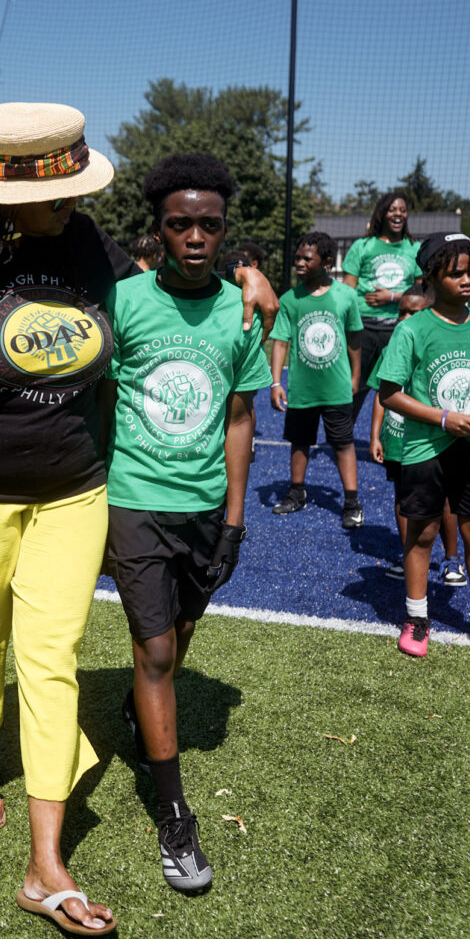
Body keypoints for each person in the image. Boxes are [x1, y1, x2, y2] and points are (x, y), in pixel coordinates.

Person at [0, 103, 279, 935]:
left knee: (53, 656)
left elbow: (170, 280)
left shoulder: (89, 244)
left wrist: (248, 273)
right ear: (2, 192)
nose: (76, 200)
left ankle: (45, 863)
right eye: (60, 189)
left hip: (75, 490)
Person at [102, 153, 272, 892]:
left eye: (209, 225)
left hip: (207, 508)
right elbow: (96, 403)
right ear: (159, 230)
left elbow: (240, 415)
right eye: (181, 224)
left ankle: (144, 717)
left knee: (182, 633)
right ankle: (175, 818)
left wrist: (234, 519)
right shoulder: (124, 301)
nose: (196, 237)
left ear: (226, 231)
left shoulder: (245, 308)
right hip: (134, 500)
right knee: (159, 652)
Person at [377, 233, 470, 656]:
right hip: (423, 451)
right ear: (431, 278)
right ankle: (417, 619)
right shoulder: (412, 329)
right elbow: (389, 394)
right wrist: (443, 417)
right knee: (422, 535)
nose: (468, 280)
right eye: (456, 273)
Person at [369, 284, 467, 585]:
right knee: (403, 499)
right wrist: (375, 436)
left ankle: (452, 559)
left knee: (447, 503)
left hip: (433, 438)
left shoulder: (436, 341)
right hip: (399, 439)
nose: (405, 317)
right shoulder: (391, 348)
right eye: (401, 312)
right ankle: (407, 552)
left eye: (413, 312)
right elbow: (381, 395)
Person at [269, 232, 364, 528]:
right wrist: (275, 382)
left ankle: (351, 502)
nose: (299, 262)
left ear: (325, 262)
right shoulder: (289, 300)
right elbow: (280, 342)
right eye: (297, 257)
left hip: (336, 388)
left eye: (306, 258)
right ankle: (296, 492)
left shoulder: (346, 296)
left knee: (343, 443)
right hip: (302, 389)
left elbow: (354, 339)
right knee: (299, 441)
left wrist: (355, 375)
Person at [341, 192, 421, 423]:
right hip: (363, 327)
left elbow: (422, 293)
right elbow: (347, 290)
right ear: (382, 213)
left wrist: (393, 296)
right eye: (392, 209)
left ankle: (387, 440)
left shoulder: (413, 248)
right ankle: (342, 437)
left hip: (398, 329)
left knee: (394, 388)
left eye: (402, 210)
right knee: (354, 385)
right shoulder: (362, 246)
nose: (398, 214)